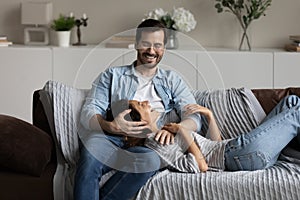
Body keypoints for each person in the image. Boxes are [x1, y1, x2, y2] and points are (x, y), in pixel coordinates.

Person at [74, 19, 201, 200]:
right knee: (89, 159)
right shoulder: (112, 75)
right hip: (109, 138)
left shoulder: (172, 80)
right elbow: (89, 111)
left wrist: (177, 128)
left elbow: (194, 117)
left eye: (157, 45)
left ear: (164, 48)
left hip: (146, 144)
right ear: (135, 44)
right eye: (145, 44)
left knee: (150, 161)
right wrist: (110, 126)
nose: (151, 51)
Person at [163, 94, 300, 172]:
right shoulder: (158, 141)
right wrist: (182, 131)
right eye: (142, 105)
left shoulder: (164, 131)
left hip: (236, 153)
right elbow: (202, 166)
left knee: (292, 101)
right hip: (240, 155)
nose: (146, 103)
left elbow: (216, 145)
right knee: (297, 112)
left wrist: (210, 116)